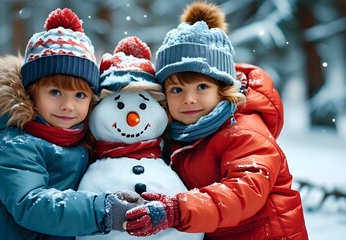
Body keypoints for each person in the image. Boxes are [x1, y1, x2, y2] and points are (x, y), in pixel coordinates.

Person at [124, 2, 308, 239]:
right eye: (177, 90)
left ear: (223, 89)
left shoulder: (244, 132)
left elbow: (244, 191)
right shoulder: (178, 133)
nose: (189, 99)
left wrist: (179, 210)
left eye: (202, 87)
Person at [0, 8, 141, 240]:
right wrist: (102, 211)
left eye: (80, 96)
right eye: (55, 92)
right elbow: (31, 205)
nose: (68, 105)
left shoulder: (83, 139)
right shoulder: (14, 145)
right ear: (31, 93)